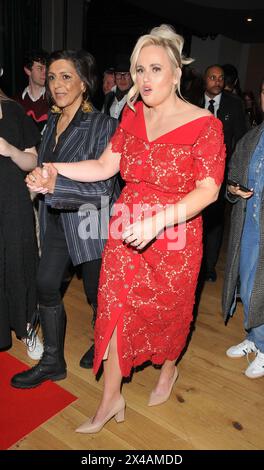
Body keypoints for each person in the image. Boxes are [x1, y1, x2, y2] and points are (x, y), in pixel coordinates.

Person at [19, 25, 226, 432]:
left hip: (175, 234)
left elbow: (209, 191)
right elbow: (103, 166)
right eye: (138, 70)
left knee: (168, 312)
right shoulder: (131, 115)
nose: (145, 79)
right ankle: (110, 398)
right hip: (126, 228)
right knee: (113, 311)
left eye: (155, 69)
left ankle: (169, 369)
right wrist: (54, 168)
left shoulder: (205, 125)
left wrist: (157, 222)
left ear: (175, 74)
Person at [10, 50, 119, 389]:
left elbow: (103, 187)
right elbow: (45, 168)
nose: (57, 84)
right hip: (56, 220)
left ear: (84, 83)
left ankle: (101, 343)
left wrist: (54, 185)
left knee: (96, 293)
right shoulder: (52, 121)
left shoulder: (103, 124)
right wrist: (37, 181)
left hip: (91, 222)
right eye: (53, 77)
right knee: (46, 285)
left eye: (66, 76)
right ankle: (53, 361)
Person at [223, 77, 264, 379]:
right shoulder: (252, 137)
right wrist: (233, 190)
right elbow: (231, 179)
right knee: (248, 285)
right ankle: (255, 337)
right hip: (248, 227)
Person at [0, 85, 43, 359]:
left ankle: (28, 328)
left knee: (20, 263)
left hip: (14, 203)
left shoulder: (14, 111)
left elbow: (32, 161)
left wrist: (10, 150)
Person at [201, 64, 247, 282]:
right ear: (205, 80)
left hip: (221, 172)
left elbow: (241, 138)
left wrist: (233, 172)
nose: (217, 81)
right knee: (196, 219)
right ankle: (197, 266)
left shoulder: (234, 105)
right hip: (195, 173)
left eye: (220, 78)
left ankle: (209, 266)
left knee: (215, 221)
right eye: (212, 77)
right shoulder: (191, 103)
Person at [15, 49, 49, 133]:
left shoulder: (54, 100)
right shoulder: (16, 102)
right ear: (28, 71)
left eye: (46, 68)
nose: (45, 72)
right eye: (40, 68)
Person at [103, 55, 132, 121]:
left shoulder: (138, 100)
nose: (122, 79)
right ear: (114, 76)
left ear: (132, 76)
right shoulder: (108, 98)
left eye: (126, 74)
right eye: (119, 74)